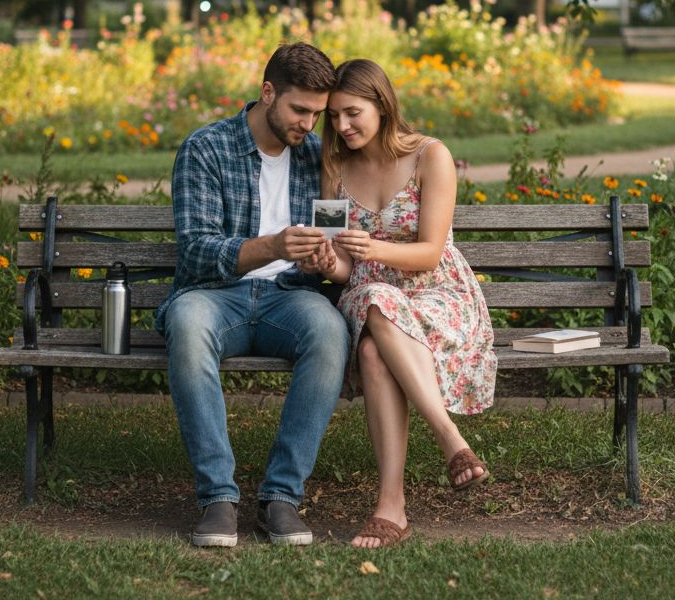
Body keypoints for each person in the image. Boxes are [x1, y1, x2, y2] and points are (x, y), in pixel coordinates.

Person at [157, 41, 350, 548]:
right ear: (268, 93)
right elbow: (196, 252)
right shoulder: (206, 148)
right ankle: (218, 497)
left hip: (289, 297)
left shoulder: (317, 157)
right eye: (300, 110)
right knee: (187, 323)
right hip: (216, 295)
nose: (310, 124)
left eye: (318, 113)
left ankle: (282, 497)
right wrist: (271, 246)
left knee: (330, 331)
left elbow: (332, 238)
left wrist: (324, 260)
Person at [307, 58, 497, 549]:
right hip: (369, 297)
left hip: (437, 295)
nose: (341, 126)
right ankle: (449, 440)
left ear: (381, 104)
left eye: (352, 113)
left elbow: (431, 250)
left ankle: (392, 505)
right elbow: (348, 270)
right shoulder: (335, 168)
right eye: (332, 117)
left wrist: (373, 250)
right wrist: (330, 264)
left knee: (372, 351)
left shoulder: (430, 156)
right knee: (372, 298)